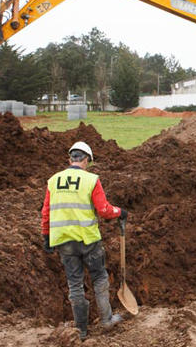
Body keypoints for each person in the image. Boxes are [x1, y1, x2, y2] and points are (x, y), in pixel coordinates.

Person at [41, 141, 126, 341]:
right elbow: (104, 210)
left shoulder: (53, 180)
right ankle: (106, 320)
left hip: (64, 241)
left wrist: (46, 236)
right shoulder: (91, 180)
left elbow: (46, 213)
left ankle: (81, 330)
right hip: (88, 240)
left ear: (70, 158)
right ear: (86, 159)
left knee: (75, 284)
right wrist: (120, 212)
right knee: (99, 277)